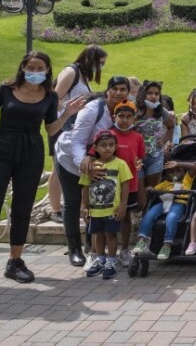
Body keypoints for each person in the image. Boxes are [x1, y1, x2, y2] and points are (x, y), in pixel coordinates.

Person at [0, 52, 84, 296]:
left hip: (30, 152)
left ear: (47, 71)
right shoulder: (6, 90)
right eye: (31, 66)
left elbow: (49, 129)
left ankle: (15, 261)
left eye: (41, 67)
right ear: (23, 67)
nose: (35, 70)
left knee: (22, 208)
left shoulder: (50, 95)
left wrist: (66, 114)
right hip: (1, 149)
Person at [54, 75, 131, 267]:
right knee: (73, 202)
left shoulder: (122, 110)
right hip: (70, 156)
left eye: (123, 89)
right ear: (108, 90)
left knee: (96, 202)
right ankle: (75, 249)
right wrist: (84, 164)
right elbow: (78, 139)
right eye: (115, 89)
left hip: (96, 158)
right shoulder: (94, 108)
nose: (119, 93)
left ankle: (92, 249)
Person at [48, 44, 106, 222]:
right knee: (57, 168)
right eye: (100, 62)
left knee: (66, 168)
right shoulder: (71, 71)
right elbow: (55, 97)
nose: (101, 67)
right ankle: (55, 209)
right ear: (91, 59)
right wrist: (66, 114)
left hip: (74, 127)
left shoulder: (83, 77)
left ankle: (69, 205)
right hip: (61, 124)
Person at [79, 130, 132, 280]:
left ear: (116, 146)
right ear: (95, 148)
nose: (107, 148)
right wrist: (84, 206)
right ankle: (100, 259)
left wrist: (123, 205)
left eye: (111, 145)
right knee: (97, 235)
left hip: (112, 210)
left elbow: (126, 185)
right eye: (103, 145)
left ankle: (111, 261)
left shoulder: (120, 164)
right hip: (96, 210)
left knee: (111, 235)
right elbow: (85, 186)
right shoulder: (91, 167)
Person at [134, 160, 196, 260]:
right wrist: (149, 189)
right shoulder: (165, 183)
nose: (174, 173)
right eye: (171, 171)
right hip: (164, 202)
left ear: (183, 172)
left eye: (178, 171)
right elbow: (154, 190)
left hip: (179, 202)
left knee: (172, 216)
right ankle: (141, 240)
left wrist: (178, 163)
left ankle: (167, 245)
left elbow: (193, 167)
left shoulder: (187, 179)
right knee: (150, 214)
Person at [110, 100, 145, 266]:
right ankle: (107, 253)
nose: (124, 120)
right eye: (121, 116)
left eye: (128, 116)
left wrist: (138, 163)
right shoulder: (108, 134)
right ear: (114, 117)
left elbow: (139, 157)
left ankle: (124, 250)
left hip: (130, 184)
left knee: (125, 218)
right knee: (108, 219)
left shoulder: (138, 137)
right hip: (110, 185)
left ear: (134, 119)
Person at [133, 80, 175, 217]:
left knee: (151, 192)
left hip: (155, 156)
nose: (153, 96)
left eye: (156, 93)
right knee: (141, 199)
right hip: (137, 158)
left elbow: (171, 125)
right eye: (150, 93)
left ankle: (144, 228)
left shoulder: (161, 112)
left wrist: (166, 141)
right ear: (143, 94)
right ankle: (138, 214)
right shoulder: (134, 111)